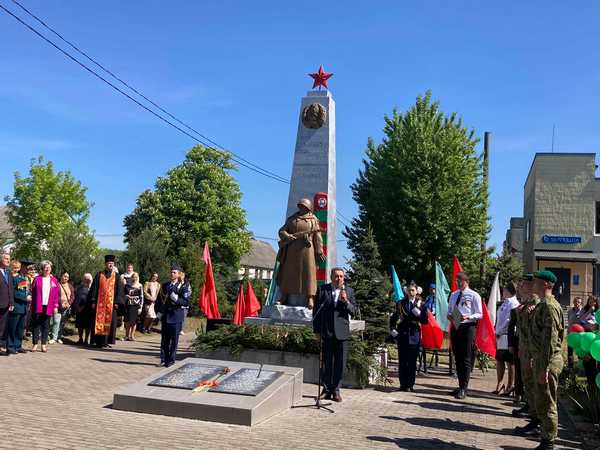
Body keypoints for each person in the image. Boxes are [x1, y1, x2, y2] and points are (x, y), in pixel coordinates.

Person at [529, 270, 564, 450]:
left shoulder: (549, 306)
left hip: (549, 361)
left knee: (548, 401)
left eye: (536, 281)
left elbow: (550, 339)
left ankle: (548, 442)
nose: (533, 283)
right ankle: (545, 438)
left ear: (545, 284)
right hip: (543, 360)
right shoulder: (543, 304)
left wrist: (545, 367)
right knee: (541, 400)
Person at [313, 267, 357, 402]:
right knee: (326, 363)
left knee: (340, 364)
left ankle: (336, 390)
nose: (339, 279)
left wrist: (346, 302)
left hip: (342, 333)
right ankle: (326, 389)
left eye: (341, 276)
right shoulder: (323, 289)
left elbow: (354, 311)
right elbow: (316, 312)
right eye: (336, 276)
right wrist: (317, 331)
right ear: (331, 277)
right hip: (327, 332)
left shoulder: (349, 291)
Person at [277, 198, 325, 309]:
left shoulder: (313, 219)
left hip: (307, 250)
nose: (302, 208)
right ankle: (284, 295)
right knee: (288, 272)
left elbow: (317, 236)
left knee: (309, 273)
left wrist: (319, 250)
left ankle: (310, 297)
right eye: (300, 206)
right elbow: (282, 231)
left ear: (308, 208)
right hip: (292, 250)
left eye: (304, 207)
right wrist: (287, 235)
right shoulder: (292, 219)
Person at [447, 271, 482, 399]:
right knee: (458, 357)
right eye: (457, 281)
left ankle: (464, 388)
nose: (458, 283)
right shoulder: (454, 295)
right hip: (456, 325)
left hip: (468, 327)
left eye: (460, 281)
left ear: (466, 282)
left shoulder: (474, 295)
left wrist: (469, 316)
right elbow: (450, 309)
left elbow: (480, 313)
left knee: (466, 358)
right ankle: (460, 384)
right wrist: (449, 315)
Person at [390, 283, 428, 391]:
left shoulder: (421, 304)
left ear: (417, 292)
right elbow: (394, 318)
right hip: (403, 335)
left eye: (413, 291)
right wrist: (393, 330)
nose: (411, 293)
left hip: (414, 335)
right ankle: (403, 384)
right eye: (409, 290)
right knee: (402, 361)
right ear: (406, 291)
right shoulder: (400, 303)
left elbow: (425, 320)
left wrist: (419, 314)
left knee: (412, 362)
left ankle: (410, 385)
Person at [88, 255, 124, 348]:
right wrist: (93, 301)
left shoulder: (116, 276)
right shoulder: (99, 275)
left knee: (110, 324)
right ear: (105, 264)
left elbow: (120, 290)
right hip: (99, 305)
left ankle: (106, 342)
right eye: (109, 263)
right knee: (98, 322)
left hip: (111, 305)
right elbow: (94, 289)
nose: (110, 265)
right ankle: (98, 342)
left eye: (112, 263)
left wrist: (117, 302)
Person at [156, 265, 190, 367]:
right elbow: (159, 301)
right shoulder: (165, 285)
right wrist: (158, 313)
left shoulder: (184, 286)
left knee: (174, 340)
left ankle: (171, 360)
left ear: (179, 274)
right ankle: (164, 359)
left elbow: (185, 301)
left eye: (175, 272)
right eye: (171, 272)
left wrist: (176, 299)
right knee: (164, 340)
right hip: (166, 316)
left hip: (176, 316)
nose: (172, 274)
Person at [494, 281, 520, 396]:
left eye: (504, 290)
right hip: (500, 335)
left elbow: (509, 321)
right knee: (499, 359)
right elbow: (499, 318)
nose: (502, 292)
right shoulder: (505, 303)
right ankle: (500, 384)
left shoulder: (514, 303)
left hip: (507, 335)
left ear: (508, 291)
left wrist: (499, 331)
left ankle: (510, 386)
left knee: (510, 362)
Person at [30, 260, 60, 352]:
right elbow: (32, 291)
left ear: (51, 269)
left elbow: (56, 295)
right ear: (42, 269)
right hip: (37, 305)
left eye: (49, 267)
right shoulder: (37, 279)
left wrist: (55, 306)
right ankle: (35, 344)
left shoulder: (54, 280)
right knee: (36, 325)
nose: (47, 269)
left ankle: (43, 344)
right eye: (45, 267)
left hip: (49, 306)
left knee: (46, 325)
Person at [6, 260, 30, 355]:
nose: (17, 269)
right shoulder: (12, 278)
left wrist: (29, 295)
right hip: (16, 306)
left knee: (20, 328)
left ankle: (18, 345)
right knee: (12, 327)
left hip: (23, 307)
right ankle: (10, 346)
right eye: (15, 267)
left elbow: (24, 291)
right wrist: (26, 298)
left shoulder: (22, 278)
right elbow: (14, 293)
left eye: (18, 267)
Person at [50, 271, 74, 344]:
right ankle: (54, 337)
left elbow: (72, 296)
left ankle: (59, 337)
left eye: (67, 277)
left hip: (66, 307)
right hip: (58, 306)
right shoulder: (57, 285)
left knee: (62, 323)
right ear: (61, 276)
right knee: (56, 321)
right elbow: (55, 295)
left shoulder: (70, 286)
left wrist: (69, 303)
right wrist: (61, 303)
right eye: (64, 276)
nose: (66, 278)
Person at [0, 252, 14, 353]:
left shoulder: (8, 273)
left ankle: (1, 345)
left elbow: (11, 289)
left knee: (3, 326)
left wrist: (12, 303)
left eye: (9, 259)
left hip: (6, 304)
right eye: (6, 258)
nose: (8, 260)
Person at [74, 273, 93, 345]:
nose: (87, 280)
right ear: (83, 279)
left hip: (88, 310)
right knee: (80, 325)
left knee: (88, 326)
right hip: (79, 310)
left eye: (89, 279)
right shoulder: (79, 287)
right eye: (86, 279)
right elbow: (76, 297)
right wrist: (77, 307)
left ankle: (86, 339)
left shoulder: (92, 288)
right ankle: (80, 338)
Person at [124, 272, 143, 341]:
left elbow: (141, 296)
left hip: (136, 305)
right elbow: (124, 294)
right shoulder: (127, 285)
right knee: (128, 321)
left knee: (134, 321)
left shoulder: (140, 285)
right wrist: (126, 296)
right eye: (133, 277)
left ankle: (132, 336)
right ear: (131, 277)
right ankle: (126, 336)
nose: (134, 278)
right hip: (129, 305)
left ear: (137, 277)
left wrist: (140, 307)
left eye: (136, 277)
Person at [567, 297, 583, 368]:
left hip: (579, 336)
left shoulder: (583, 312)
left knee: (579, 352)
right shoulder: (570, 311)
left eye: (579, 302)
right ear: (573, 302)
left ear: (581, 303)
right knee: (570, 352)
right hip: (570, 335)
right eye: (576, 302)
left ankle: (580, 367)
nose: (577, 303)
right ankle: (570, 367)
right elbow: (569, 321)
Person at [179, 271, 191, 336]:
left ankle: (181, 329)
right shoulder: (176, 283)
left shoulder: (187, 284)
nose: (181, 276)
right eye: (180, 275)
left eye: (182, 275)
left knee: (183, 317)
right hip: (177, 303)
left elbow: (189, 292)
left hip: (184, 304)